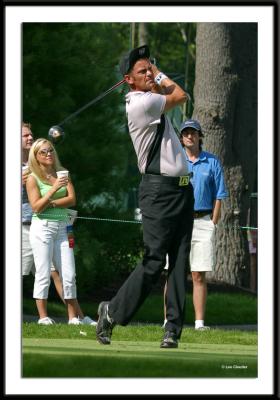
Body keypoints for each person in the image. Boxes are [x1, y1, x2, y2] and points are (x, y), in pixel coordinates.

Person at [96, 44, 194, 349]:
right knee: (154, 260)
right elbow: (180, 95)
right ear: (129, 80)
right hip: (158, 192)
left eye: (151, 67)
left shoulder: (149, 97)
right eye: (143, 71)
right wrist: (162, 76)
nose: (150, 72)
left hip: (182, 189)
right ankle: (111, 312)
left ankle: (172, 330)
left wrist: (153, 73)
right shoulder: (141, 102)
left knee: (179, 263)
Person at [163, 119, 228, 330]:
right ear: (181, 138)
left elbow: (219, 195)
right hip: (177, 223)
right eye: (185, 133)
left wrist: (213, 223)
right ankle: (168, 320)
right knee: (173, 272)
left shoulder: (212, 162)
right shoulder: (175, 160)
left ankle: (199, 323)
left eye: (193, 133)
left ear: (200, 136)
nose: (189, 136)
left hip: (203, 222)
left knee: (199, 273)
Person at [25, 136, 96, 325]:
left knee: (69, 273)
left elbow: (72, 199)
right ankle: (43, 317)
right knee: (43, 272)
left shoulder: (62, 172)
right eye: (43, 152)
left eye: (50, 150)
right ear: (36, 156)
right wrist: (53, 189)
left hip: (63, 227)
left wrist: (52, 202)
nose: (48, 154)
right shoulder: (32, 178)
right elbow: (36, 207)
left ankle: (73, 318)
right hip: (43, 229)